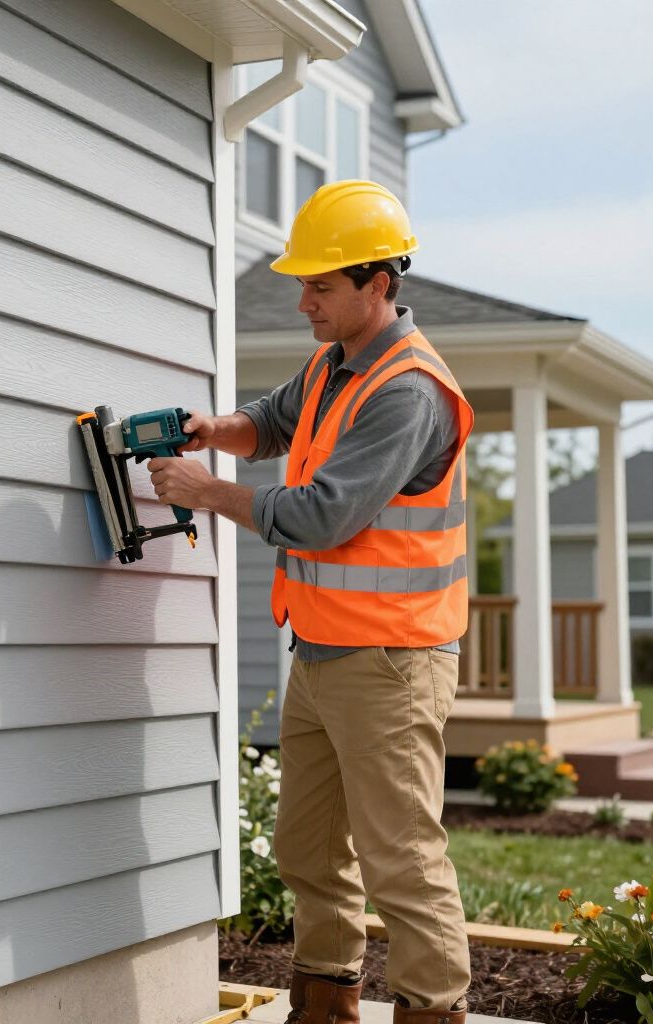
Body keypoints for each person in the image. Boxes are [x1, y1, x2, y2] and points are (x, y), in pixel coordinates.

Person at [147, 181, 474, 1024]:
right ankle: (324, 1005)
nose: (304, 303)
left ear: (378, 284)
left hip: (392, 664)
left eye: (320, 287)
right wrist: (217, 430)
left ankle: (431, 1009)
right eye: (303, 285)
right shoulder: (337, 365)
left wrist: (209, 491)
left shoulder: (408, 391)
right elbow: (277, 418)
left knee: (400, 859)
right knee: (308, 849)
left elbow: (323, 517)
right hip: (324, 654)